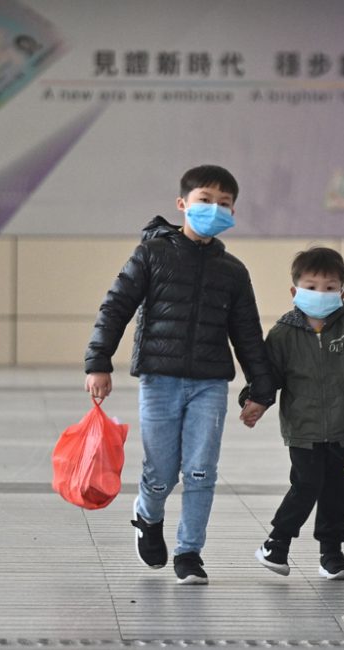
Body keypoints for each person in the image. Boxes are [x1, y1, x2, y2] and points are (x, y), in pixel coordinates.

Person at [84, 164, 276, 585]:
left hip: (209, 383)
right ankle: (147, 518)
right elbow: (115, 307)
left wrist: (262, 388)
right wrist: (99, 361)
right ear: (182, 204)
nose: (214, 209)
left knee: (201, 470)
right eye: (205, 200)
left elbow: (247, 333)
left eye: (224, 204)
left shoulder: (233, 271)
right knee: (162, 472)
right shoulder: (152, 254)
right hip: (160, 380)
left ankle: (190, 553)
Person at [241, 247, 344, 580]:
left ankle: (332, 554)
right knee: (307, 485)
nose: (321, 293)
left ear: (342, 292)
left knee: (340, 493)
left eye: (329, 288)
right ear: (294, 291)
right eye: (311, 287)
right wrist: (255, 400)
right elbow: (269, 375)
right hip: (304, 430)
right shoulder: (283, 334)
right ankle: (277, 542)